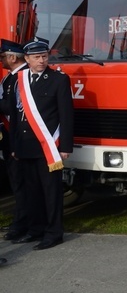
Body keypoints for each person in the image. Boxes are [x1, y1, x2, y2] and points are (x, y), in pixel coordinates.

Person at [8, 38, 73, 250]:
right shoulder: (21, 80)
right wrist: (14, 146)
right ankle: (35, 229)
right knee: (31, 191)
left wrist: (65, 147)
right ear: (26, 59)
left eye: (44, 56)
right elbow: (17, 116)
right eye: (36, 57)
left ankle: (54, 232)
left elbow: (66, 115)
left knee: (51, 192)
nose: (41, 61)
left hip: (48, 147)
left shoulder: (58, 80)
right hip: (26, 145)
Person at [0, 40, 29, 242]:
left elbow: (15, 109)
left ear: (12, 57)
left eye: (3, 56)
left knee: (21, 183)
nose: (1, 60)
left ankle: (22, 222)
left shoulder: (21, 77)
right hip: (10, 137)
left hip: (21, 138)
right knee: (16, 182)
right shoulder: (9, 78)